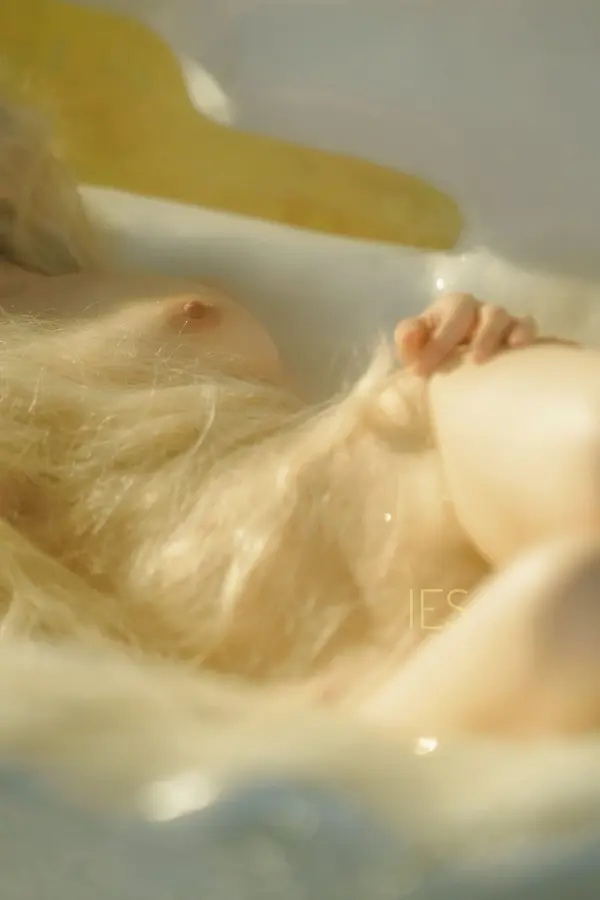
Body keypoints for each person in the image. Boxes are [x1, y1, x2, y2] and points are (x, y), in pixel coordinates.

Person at [2, 95, 600, 829]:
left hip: (402, 447)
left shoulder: (86, 262)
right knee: (579, 606)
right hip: (271, 650)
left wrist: (464, 331)